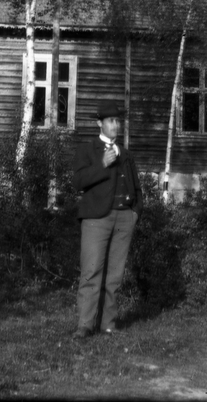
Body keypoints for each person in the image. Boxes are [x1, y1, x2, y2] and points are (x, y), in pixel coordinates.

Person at [72, 101, 142, 338]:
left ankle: (108, 324)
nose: (116, 125)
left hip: (124, 218)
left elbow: (137, 187)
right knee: (91, 273)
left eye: (118, 121)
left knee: (114, 276)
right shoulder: (88, 149)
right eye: (111, 121)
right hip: (95, 219)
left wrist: (135, 212)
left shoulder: (126, 154)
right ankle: (85, 325)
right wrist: (102, 164)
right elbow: (78, 182)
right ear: (99, 124)